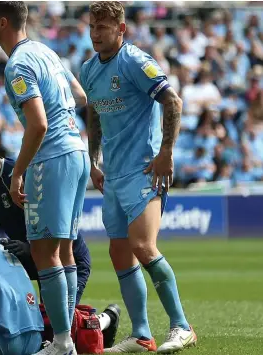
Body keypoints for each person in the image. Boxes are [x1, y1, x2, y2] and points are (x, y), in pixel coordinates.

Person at [81, 1, 196, 353]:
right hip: (112, 176)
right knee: (120, 255)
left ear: (121, 29)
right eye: (93, 26)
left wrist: (166, 153)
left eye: (103, 27)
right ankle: (142, 334)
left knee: (143, 247)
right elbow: (95, 115)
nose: (96, 33)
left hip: (143, 170)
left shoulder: (134, 61)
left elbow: (172, 102)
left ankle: (182, 326)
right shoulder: (88, 70)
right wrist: (93, 159)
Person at [0, 127, 121, 348]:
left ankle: (106, 320)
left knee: (51, 327)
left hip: (65, 259)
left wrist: (32, 247)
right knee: (29, 323)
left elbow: (59, 218)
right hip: (28, 261)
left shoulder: (24, 175)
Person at [0, 2, 90, 354]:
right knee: (64, 252)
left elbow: (39, 124)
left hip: (52, 157)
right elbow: (80, 96)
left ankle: (60, 342)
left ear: (2, 22)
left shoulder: (17, 63)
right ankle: (67, 337)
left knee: (45, 254)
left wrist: (17, 173)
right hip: (77, 150)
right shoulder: (45, 50)